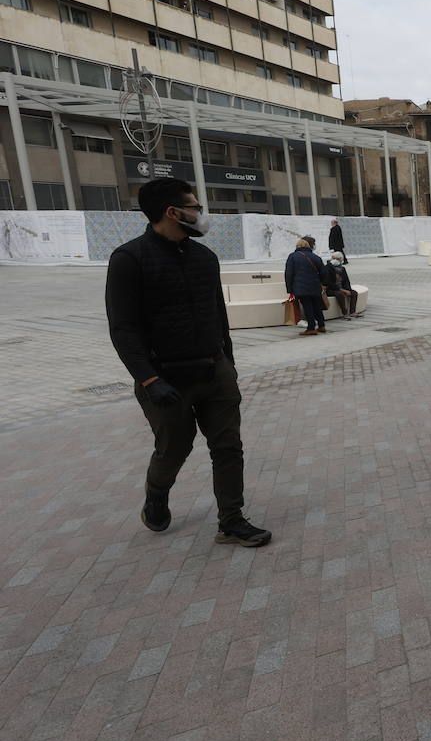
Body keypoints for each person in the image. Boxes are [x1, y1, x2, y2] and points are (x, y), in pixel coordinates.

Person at [104, 178, 271, 548]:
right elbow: (123, 329)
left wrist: (227, 362)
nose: (200, 213)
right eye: (195, 207)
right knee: (175, 448)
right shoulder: (128, 260)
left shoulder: (204, 258)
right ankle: (157, 493)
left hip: (214, 371)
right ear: (172, 212)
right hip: (164, 379)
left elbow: (218, 316)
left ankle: (231, 521)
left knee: (228, 446)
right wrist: (148, 379)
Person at [286, 237, 327, 335]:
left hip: (301, 287)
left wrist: (289, 289)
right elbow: (324, 272)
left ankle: (311, 328)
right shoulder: (316, 257)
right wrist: (322, 283)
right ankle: (321, 326)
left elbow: (289, 274)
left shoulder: (292, 256)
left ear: (297, 246)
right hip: (315, 286)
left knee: (307, 306)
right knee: (317, 306)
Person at [323, 251, 359, 318]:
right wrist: (342, 290)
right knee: (340, 294)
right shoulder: (327, 268)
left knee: (354, 293)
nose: (337, 260)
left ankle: (352, 312)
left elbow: (346, 281)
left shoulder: (342, 269)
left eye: (339, 259)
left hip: (341, 288)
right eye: (335, 258)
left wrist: (348, 289)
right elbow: (329, 283)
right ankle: (344, 313)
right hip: (331, 289)